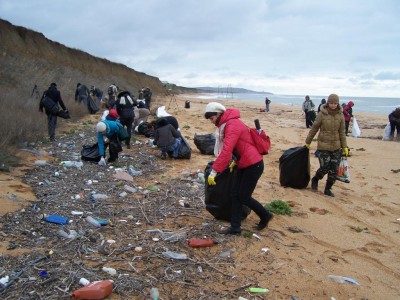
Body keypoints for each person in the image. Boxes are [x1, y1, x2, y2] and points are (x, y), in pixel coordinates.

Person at [205, 102, 273, 235]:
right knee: (235, 194)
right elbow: (238, 148)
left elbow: (226, 151)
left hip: (254, 165)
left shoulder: (232, 125)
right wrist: (235, 161)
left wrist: (214, 171)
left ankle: (265, 215)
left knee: (244, 196)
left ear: (218, 114)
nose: (212, 122)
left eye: (212, 118)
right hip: (243, 163)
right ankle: (235, 227)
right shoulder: (228, 124)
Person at [305, 94, 349, 197]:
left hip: (336, 147)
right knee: (325, 168)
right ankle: (315, 179)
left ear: (337, 103)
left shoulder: (341, 115)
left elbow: (342, 132)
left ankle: (328, 188)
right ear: (328, 103)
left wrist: (345, 147)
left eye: (335, 103)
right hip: (323, 146)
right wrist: (308, 142)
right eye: (331, 103)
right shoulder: (321, 114)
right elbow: (314, 128)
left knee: (334, 170)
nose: (333, 105)